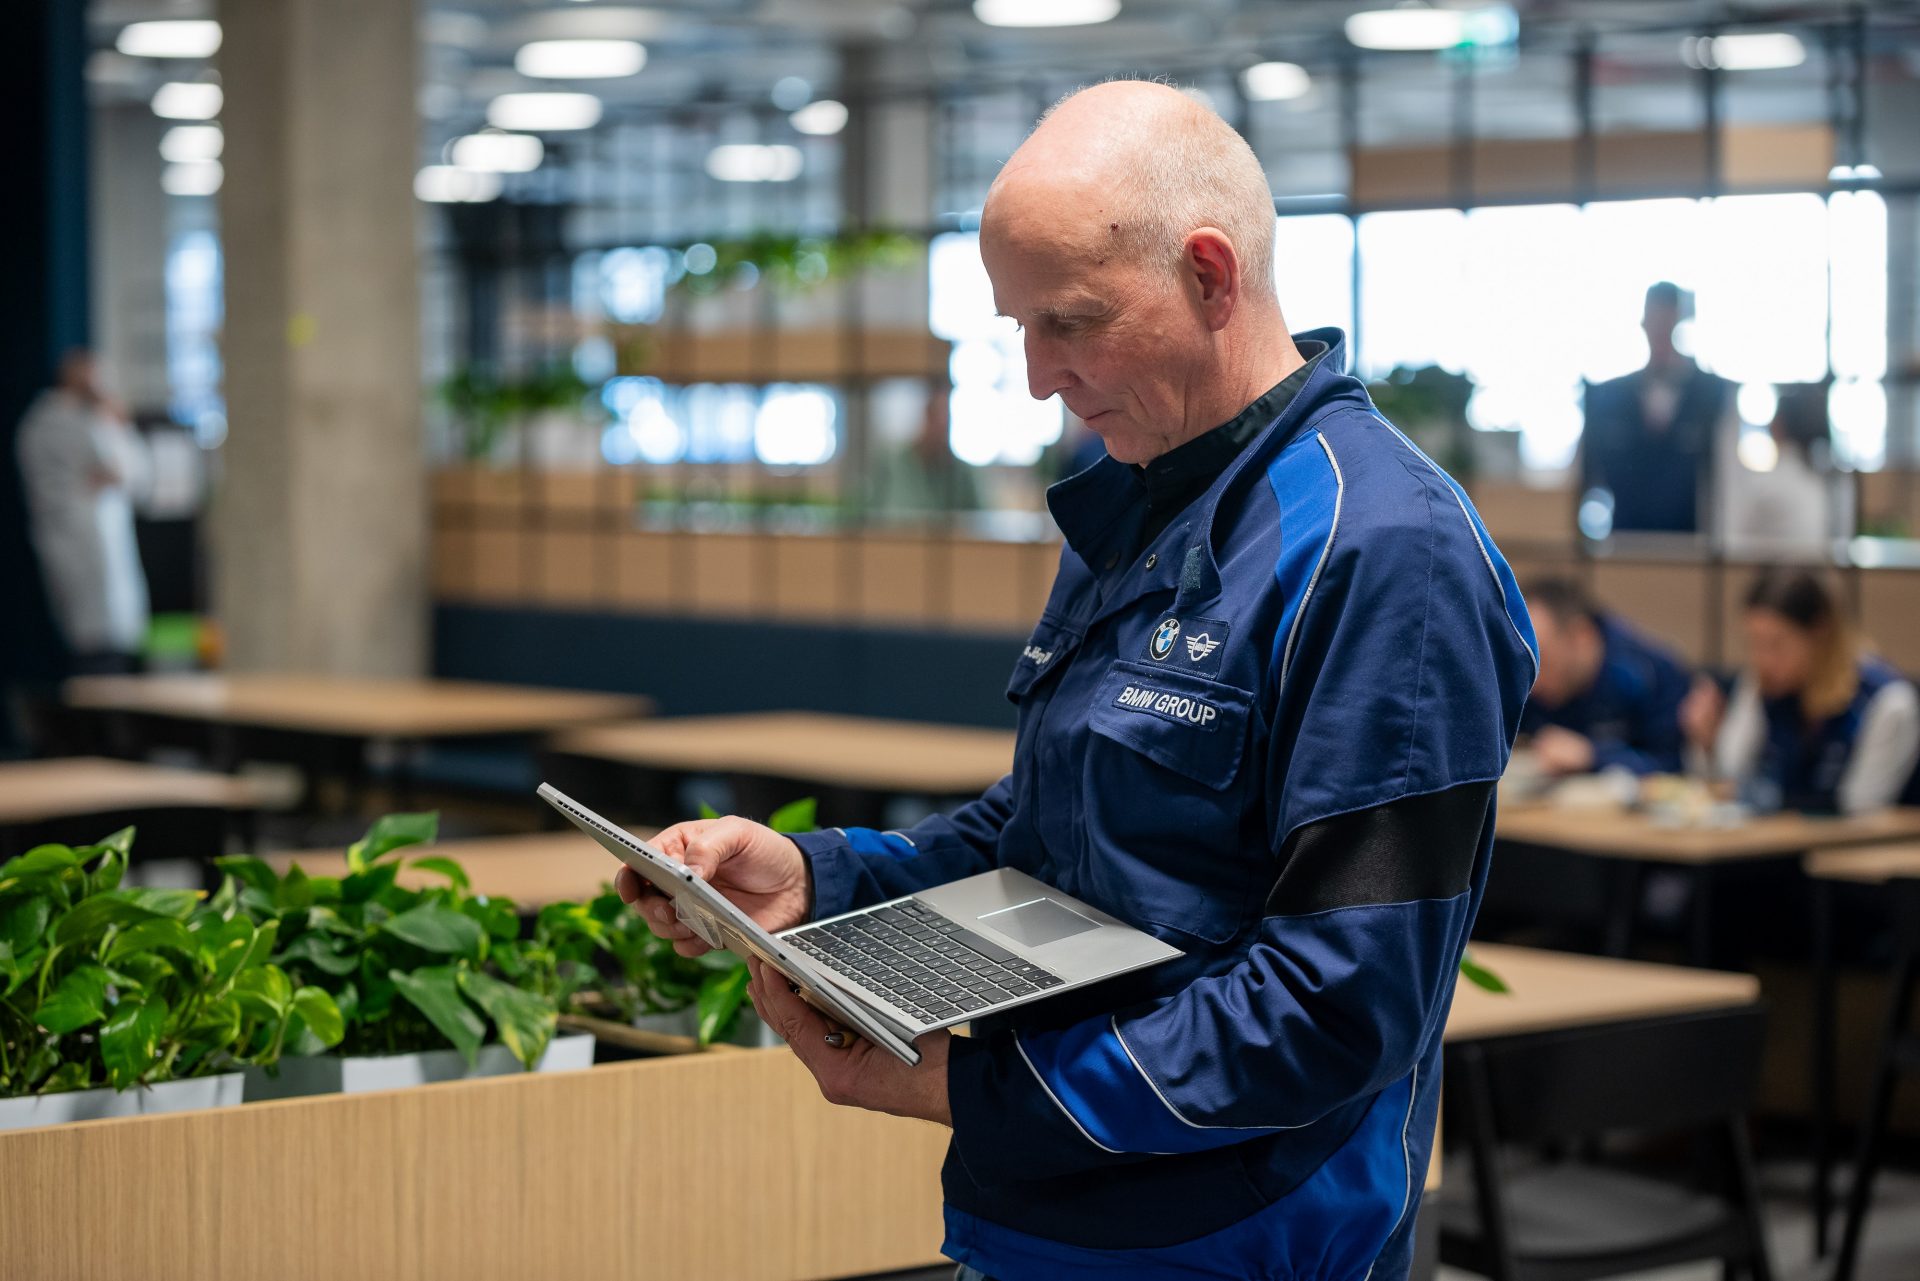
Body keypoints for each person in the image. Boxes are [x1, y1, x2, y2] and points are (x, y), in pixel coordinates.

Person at [618, 81, 1536, 1281]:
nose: (1041, 376)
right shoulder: (1143, 498)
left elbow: (1336, 1005)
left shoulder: (1382, 550)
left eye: (1073, 322)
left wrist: (969, 1087)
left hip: (1237, 1240)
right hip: (1045, 1216)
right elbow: (1053, 835)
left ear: (1212, 277)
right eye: (1019, 329)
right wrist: (820, 880)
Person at [1682, 569, 1919, 815]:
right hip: (1779, 844)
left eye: (1776, 644)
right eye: (1753, 643)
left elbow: (1860, 809)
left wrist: (1762, 799)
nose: (1763, 659)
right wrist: (1707, 745)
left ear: (1819, 632)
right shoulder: (1762, 683)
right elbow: (1729, 781)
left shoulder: (1888, 702)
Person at [14, 349, 149, 674]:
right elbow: (108, 469)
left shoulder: (97, 419)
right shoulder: (47, 424)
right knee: (93, 652)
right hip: (74, 542)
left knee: (114, 644)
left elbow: (136, 476)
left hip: (102, 544)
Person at [1580, 282, 1733, 536]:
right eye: (1654, 317)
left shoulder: (1711, 394)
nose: (1660, 326)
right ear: (1644, 322)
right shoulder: (1609, 397)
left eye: (1666, 317)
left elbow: (1724, 480)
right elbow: (1588, 479)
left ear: (1678, 320)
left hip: (1690, 543)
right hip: (1623, 542)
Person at [1520, 577, 1692, 776]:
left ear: (1580, 636)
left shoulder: (1650, 672)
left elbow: (1671, 767)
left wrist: (1593, 756)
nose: (1533, 685)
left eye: (1544, 662)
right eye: (1525, 667)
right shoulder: (1530, 687)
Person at [1718, 381, 1853, 559]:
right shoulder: (1835, 484)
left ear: (1779, 424)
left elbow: (1733, 545)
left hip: (1778, 580)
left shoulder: (1769, 486)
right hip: (1820, 581)